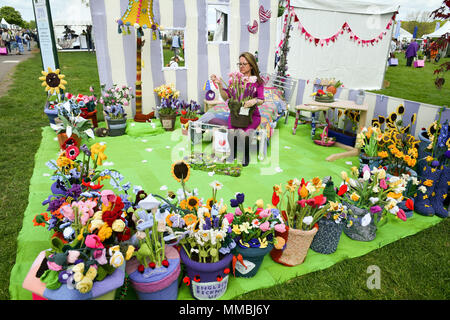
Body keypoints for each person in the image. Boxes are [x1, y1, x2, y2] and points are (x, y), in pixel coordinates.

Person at [210, 52, 265, 166]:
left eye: (244, 64)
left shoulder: (258, 82)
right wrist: (220, 85)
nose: (241, 66)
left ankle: (246, 154)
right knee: (231, 132)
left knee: (243, 134)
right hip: (236, 114)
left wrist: (253, 101)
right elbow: (226, 97)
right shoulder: (236, 80)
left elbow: (261, 99)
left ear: (251, 65)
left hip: (251, 116)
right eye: (239, 64)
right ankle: (232, 153)